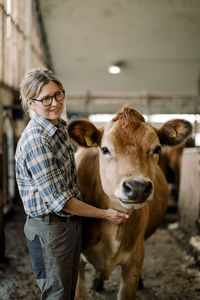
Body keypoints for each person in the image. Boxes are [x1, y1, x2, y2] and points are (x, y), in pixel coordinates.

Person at [15, 68, 129, 300]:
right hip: (51, 227)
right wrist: (105, 214)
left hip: (65, 225)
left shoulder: (57, 127)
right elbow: (61, 202)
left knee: (67, 288)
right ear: (31, 102)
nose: (55, 103)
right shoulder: (38, 140)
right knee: (57, 293)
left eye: (58, 94)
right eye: (45, 98)